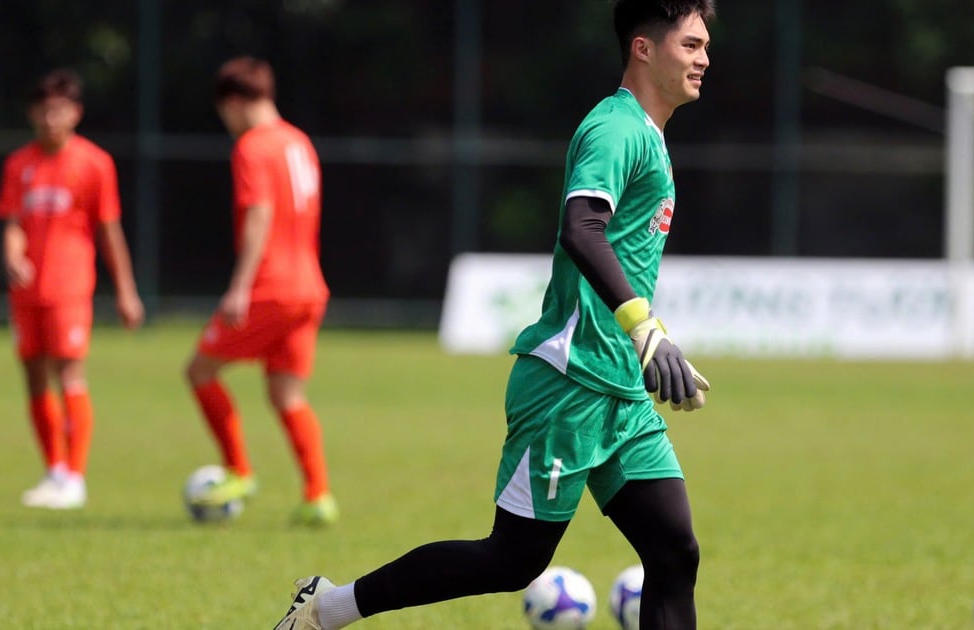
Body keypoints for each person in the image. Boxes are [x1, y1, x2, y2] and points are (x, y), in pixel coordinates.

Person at [274, 0, 714, 627]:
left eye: (704, 46)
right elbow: (581, 229)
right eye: (691, 45)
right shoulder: (616, 129)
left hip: (619, 389)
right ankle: (326, 609)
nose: (705, 59)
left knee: (674, 553)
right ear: (644, 48)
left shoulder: (649, 134)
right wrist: (644, 328)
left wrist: (641, 344)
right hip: (569, 383)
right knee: (512, 561)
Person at [185, 56, 336, 526]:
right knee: (286, 394)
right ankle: (318, 497)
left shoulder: (252, 146)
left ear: (233, 103)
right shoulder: (299, 141)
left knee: (200, 370)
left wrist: (239, 287)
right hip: (309, 285)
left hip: (270, 287)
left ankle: (239, 470)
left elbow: (260, 216)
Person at [0, 68, 145, 510]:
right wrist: (12, 254)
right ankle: (54, 471)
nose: (48, 118)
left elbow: (110, 232)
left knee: (70, 374)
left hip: (70, 287)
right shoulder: (18, 164)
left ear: (75, 113)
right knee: (34, 377)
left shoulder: (94, 163)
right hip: (26, 293)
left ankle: (75, 478)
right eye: (41, 109)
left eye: (57, 109)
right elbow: (12, 225)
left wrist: (126, 291)